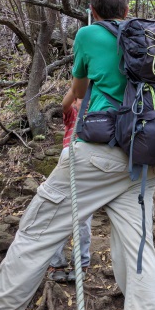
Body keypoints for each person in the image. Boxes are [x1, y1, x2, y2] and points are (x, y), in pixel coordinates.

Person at [0, 0, 155, 310]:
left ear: (92, 12)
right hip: (142, 155)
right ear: (127, 10)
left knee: (34, 236)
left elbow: (78, 87)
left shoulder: (89, 35)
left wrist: (65, 105)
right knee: (139, 251)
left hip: (98, 155)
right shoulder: (146, 36)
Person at [46, 91, 92, 283]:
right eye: (82, 100)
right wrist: (77, 87)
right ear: (75, 102)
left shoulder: (98, 117)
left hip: (86, 172)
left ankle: (81, 263)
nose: (86, 103)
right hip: (67, 168)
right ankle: (56, 263)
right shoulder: (72, 115)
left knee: (83, 222)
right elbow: (64, 105)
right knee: (57, 217)